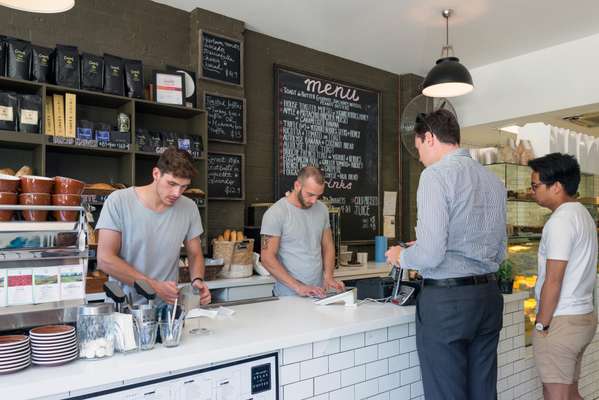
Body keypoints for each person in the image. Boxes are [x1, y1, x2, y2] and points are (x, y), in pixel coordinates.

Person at [385, 109, 507, 400]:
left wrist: (402, 255)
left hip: (448, 303)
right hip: (489, 296)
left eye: (418, 149)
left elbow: (430, 254)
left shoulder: (435, 176)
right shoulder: (493, 181)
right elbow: (500, 248)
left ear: (429, 138)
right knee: (483, 392)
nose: (420, 157)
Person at [96, 148, 211, 306]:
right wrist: (154, 287)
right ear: (156, 174)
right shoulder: (118, 201)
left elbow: (195, 253)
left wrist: (197, 280)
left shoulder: (189, 208)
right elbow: (105, 259)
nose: (177, 193)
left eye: (184, 187)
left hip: (168, 312)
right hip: (123, 308)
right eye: (171, 184)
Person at [528, 153, 597, 400]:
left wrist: (541, 324)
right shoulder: (583, 215)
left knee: (555, 394)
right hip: (583, 317)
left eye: (536, 185)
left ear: (556, 186)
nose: (531, 191)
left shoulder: (560, 221)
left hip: (561, 321)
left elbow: (554, 279)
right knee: (570, 393)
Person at [260, 166, 345, 297]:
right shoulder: (276, 213)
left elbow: (328, 246)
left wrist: (328, 277)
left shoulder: (322, 209)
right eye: (310, 194)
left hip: (318, 293)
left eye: (318, 196)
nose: (314, 200)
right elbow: (267, 258)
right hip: (287, 296)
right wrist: (299, 287)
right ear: (297, 185)